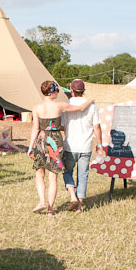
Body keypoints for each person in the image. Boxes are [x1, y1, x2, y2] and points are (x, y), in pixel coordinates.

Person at [27, 80, 94, 216]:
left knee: (39, 174)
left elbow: (35, 128)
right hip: (55, 141)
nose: (58, 93)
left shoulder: (36, 107)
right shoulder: (60, 105)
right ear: (53, 92)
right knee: (53, 177)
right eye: (57, 91)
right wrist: (90, 101)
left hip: (41, 139)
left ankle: (41, 201)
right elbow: (81, 108)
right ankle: (51, 209)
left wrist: (30, 146)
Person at [62, 79, 104, 213]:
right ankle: (79, 206)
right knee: (83, 175)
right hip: (85, 145)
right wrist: (100, 143)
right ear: (83, 91)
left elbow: (62, 126)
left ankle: (73, 196)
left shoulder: (67, 105)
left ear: (71, 90)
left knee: (67, 172)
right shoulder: (92, 106)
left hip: (70, 145)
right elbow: (97, 127)